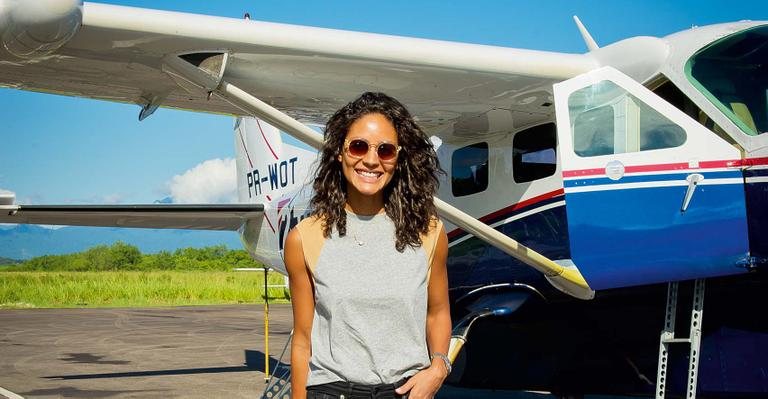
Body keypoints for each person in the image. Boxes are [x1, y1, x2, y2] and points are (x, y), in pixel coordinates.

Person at [283, 92, 451, 399]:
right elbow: (302, 339)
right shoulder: (304, 238)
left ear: (398, 159)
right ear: (340, 152)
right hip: (332, 391)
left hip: (405, 391)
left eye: (385, 150)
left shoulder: (430, 233)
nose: (371, 160)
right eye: (359, 146)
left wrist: (438, 367)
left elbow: (438, 313)